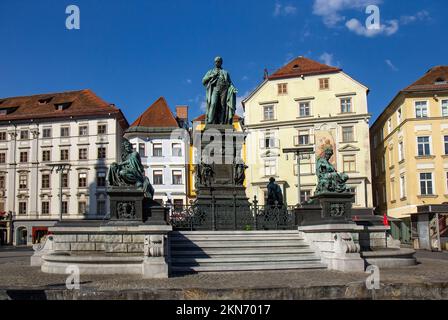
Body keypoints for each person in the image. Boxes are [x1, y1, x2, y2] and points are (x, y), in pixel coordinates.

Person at [202, 56, 238, 125]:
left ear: (221, 63)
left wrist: (233, 88)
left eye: (218, 61)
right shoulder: (211, 72)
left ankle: (222, 122)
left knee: (222, 106)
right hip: (215, 89)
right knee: (213, 103)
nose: (217, 63)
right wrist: (211, 76)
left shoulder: (225, 72)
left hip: (224, 89)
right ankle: (210, 120)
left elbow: (230, 82)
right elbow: (203, 81)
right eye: (216, 61)